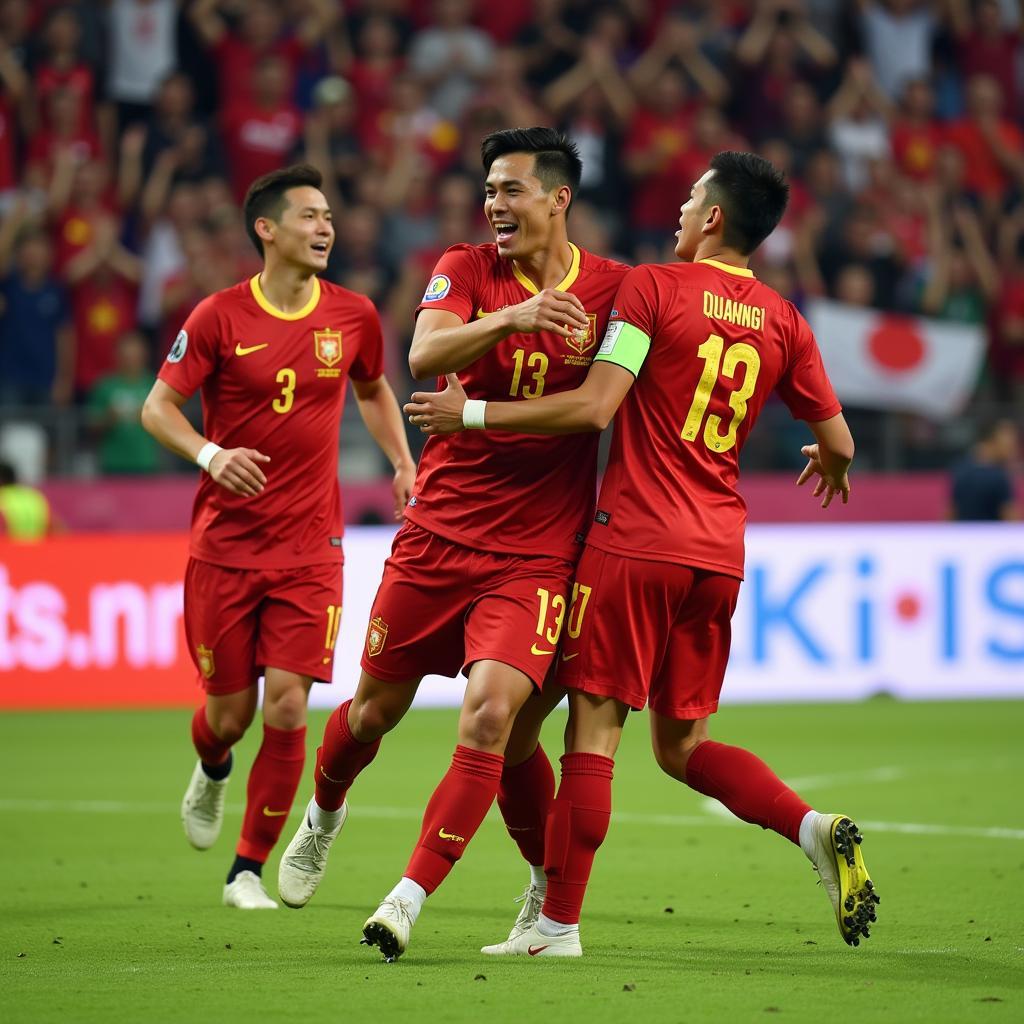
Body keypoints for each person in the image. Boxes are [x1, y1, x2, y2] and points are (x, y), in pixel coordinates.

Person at [407, 151, 879, 956]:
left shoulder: (653, 288)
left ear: (715, 220)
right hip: (718, 554)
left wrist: (474, 417)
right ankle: (809, 827)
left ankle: (556, 924)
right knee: (681, 746)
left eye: (691, 200)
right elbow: (840, 440)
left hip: (634, 543)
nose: (678, 214)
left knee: (590, 735)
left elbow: (595, 407)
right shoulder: (784, 320)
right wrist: (828, 462)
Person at [276, 128, 629, 960]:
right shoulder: (467, 268)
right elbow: (425, 349)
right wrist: (516, 313)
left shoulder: (614, 290)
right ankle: (324, 814)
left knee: (493, 717)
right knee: (370, 714)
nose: (494, 205)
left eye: (510, 189)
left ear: (558, 199)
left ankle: (406, 899)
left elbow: (607, 402)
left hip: (538, 552)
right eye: (490, 190)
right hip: (439, 534)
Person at [140, 164, 415, 910]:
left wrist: (400, 461)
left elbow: (372, 388)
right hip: (224, 550)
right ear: (267, 229)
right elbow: (157, 409)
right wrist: (210, 453)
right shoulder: (218, 316)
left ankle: (247, 871)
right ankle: (213, 765)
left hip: (310, 550)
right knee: (227, 717)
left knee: (288, 706)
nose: (325, 227)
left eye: (329, 216)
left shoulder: (354, 315)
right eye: (309, 216)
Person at [950, 417, 1019, 521]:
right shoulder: (999, 477)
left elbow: (950, 513)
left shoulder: (960, 469)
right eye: (1010, 445)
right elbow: (1011, 520)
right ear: (992, 441)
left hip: (964, 536)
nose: (1013, 450)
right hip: (994, 536)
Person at [0, 461, 54, 540]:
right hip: (37, 549)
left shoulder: (2, 497)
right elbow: (54, 525)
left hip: (9, 549)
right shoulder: (34, 496)